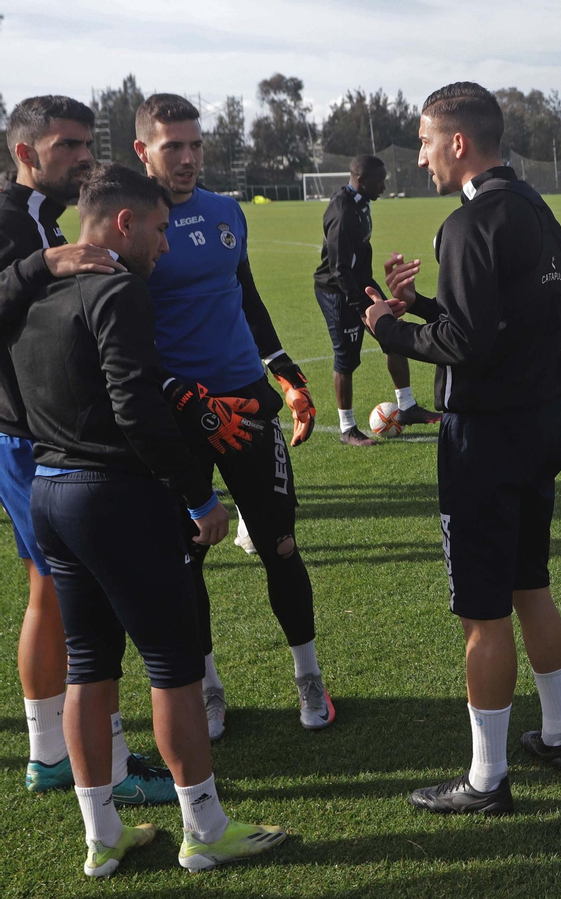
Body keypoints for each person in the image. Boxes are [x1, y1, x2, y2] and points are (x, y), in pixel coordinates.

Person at [10, 163, 286, 876]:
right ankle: (205, 828)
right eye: (159, 230)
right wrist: (199, 497)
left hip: (49, 491)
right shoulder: (118, 289)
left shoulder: (31, 286)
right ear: (124, 223)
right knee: (173, 666)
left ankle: (101, 837)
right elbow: (136, 407)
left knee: (91, 665)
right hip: (116, 496)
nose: (165, 247)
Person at [366, 82, 561, 815]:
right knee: (531, 582)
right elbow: (506, 316)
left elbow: (467, 343)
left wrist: (386, 328)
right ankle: (557, 733)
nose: (419, 157)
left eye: (425, 141)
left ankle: (487, 780)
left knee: (484, 612)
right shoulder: (534, 208)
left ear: (458, 142)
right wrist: (420, 306)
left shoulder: (468, 224)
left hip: (484, 436)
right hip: (540, 421)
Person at [2, 96, 181, 805]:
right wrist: (45, 263)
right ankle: (81, 762)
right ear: (24, 153)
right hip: (30, 436)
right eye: (68, 146)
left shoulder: (47, 218)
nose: (83, 157)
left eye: (87, 144)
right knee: (74, 601)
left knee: (51, 591)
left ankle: (57, 750)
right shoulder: (15, 224)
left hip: (47, 434)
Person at [133, 94, 330, 738]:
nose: (188, 158)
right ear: (144, 151)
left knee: (280, 544)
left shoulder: (225, 212)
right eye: (173, 147)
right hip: (178, 415)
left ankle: (309, 678)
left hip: (246, 405)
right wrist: (182, 397)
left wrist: (283, 367)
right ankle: (210, 692)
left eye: (195, 145)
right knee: (188, 558)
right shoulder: (132, 224)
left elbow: (244, 293)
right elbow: (121, 337)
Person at [312, 153, 440, 446]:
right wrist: (361, 308)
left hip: (360, 283)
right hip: (338, 291)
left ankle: (406, 407)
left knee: (393, 332)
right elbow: (339, 269)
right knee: (346, 358)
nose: (384, 186)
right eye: (379, 181)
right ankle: (347, 429)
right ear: (361, 180)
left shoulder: (361, 203)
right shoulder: (342, 212)